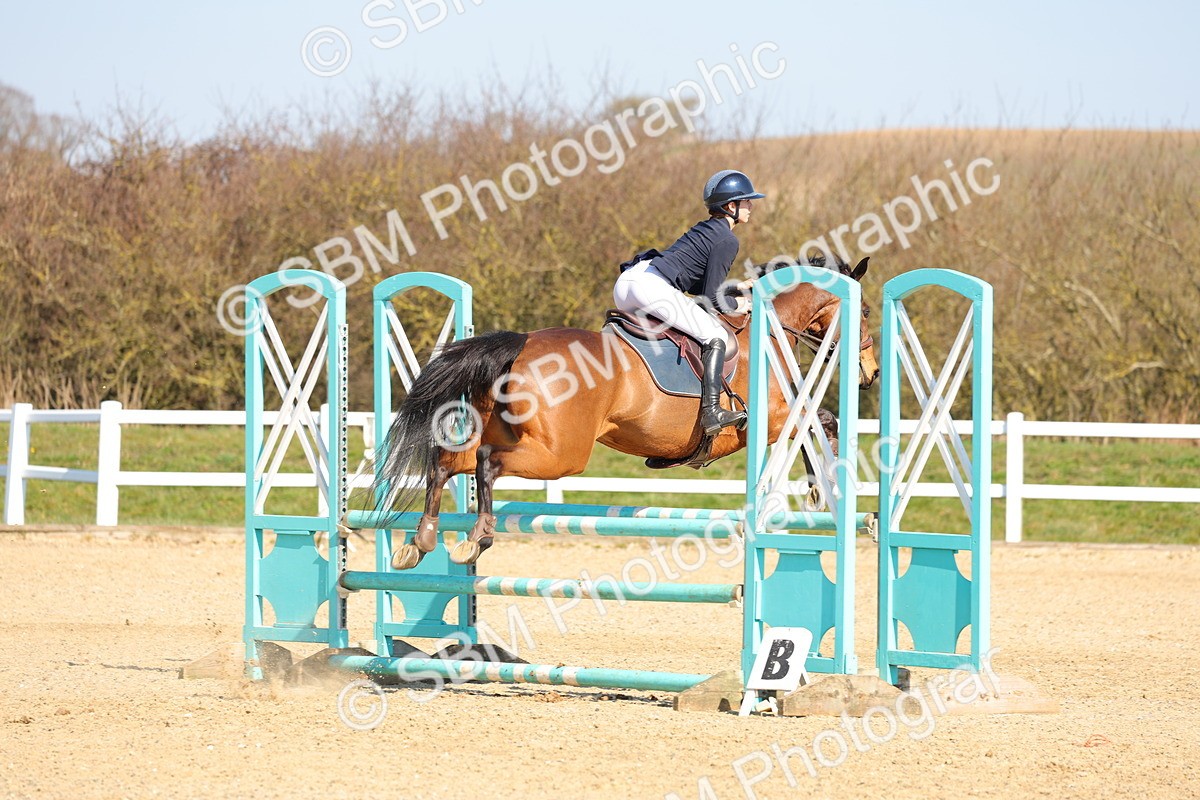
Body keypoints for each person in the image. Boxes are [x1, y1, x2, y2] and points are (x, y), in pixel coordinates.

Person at [613, 169, 765, 435]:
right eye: (746, 201)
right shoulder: (728, 239)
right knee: (714, 333)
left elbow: (698, 286)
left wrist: (735, 288)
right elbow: (710, 299)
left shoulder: (707, 229)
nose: (751, 206)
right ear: (731, 206)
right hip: (650, 287)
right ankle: (712, 411)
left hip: (629, 283)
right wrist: (737, 304)